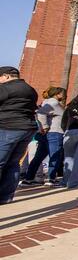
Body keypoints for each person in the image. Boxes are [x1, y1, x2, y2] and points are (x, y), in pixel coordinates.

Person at [0, 66, 39, 204]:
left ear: (6, 76)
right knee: (13, 163)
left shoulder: (5, 88)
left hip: (7, 127)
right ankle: (6, 197)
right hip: (27, 128)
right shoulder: (30, 89)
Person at [36, 87, 67, 185]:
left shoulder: (48, 102)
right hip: (55, 132)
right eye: (62, 93)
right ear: (57, 94)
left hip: (49, 133)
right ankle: (51, 178)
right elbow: (40, 113)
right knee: (54, 156)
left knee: (39, 156)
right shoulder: (54, 103)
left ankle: (29, 178)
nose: (64, 95)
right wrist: (44, 126)